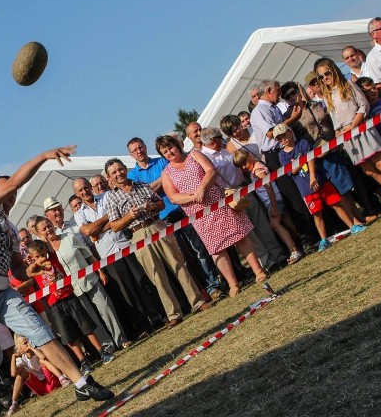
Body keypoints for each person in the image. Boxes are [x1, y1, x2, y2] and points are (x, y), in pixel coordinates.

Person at [0, 145, 113, 403]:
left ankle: (81, 383)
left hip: (3, 295)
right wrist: (43, 157)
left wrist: (31, 270)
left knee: (41, 333)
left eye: (13, 191)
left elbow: (16, 268)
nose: (12, 192)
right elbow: (14, 181)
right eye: (7, 189)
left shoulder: (12, 231)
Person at [103, 158, 211, 325]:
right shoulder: (111, 198)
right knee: (156, 275)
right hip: (137, 234)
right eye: (114, 173)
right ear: (110, 178)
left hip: (156, 225)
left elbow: (160, 203)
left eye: (120, 169)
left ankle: (197, 301)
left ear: (125, 168)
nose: (119, 174)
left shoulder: (140, 185)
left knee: (178, 264)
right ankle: (174, 314)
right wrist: (129, 216)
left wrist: (152, 207)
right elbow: (114, 225)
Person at [157, 135, 267, 297]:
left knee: (240, 236)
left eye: (170, 148)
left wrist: (202, 189)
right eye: (164, 151)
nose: (169, 152)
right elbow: (173, 197)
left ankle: (258, 271)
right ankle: (233, 284)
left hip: (218, 202)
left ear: (177, 145)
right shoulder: (166, 173)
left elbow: (211, 171)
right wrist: (193, 197)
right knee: (216, 248)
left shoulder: (195, 155)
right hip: (198, 215)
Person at [127, 136, 222, 300]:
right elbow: (143, 197)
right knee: (182, 258)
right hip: (162, 218)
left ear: (145, 147)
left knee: (199, 249)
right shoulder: (133, 176)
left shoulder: (162, 160)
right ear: (131, 155)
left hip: (183, 208)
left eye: (140, 147)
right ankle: (200, 291)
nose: (139, 151)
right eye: (135, 150)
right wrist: (163, 180)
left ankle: (213, 286)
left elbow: (175, 178)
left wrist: (156, 186)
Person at [314, 57, 381, 216]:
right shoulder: (328, 96)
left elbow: (363, 105)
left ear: (334, 71)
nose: (325, 78)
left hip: (362, 129)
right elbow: (335, 119)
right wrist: (339, 131)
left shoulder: (348, 85)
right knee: (369, 170)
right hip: (348, 138)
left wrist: (353, 125)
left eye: (327, 73)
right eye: (321, 76)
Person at [72, 176, 167, 337]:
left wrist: (99, 229)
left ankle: (160, 316)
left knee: (143, 280)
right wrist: (109, 217)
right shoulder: (79, 214)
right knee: (127, 290)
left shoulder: (106, 197)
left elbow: (118, 216)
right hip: (107, 254)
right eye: (80, 190)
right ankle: (144, 326)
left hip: (125, 244)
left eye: (86, 187)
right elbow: (88, 231)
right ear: (77, 193)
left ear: (90, 187)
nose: (84, 191)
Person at [201, 126, 300, 266]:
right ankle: (266, 261)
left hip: (244, 188)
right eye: (219, 138)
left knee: (262, 223)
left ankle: (278, 255)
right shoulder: (205, 157)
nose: (222, 140)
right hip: (228, 195)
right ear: (212, 140)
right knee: (249, 231)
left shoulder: (225, 151)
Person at [273, 124, 367, 251]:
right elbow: (292, 171)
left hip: (320, 180)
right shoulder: (282, 156)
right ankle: (324, 239)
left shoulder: (303, 143)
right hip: (305, 189)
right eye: (279, 138)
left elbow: (311, 159)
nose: (283, 139)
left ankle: (352, 226)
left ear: (290, 132)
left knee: (336, 204)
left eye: (284, 135)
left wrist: (313, 177)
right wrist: (302, 160)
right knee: (317, 214)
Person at [25, 239, 112, 374]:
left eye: (43, 254)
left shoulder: (53, 258)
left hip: (69, 297)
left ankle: (102, 351)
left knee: (86, 326)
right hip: (54, 304)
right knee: (69, 335)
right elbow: (29, 272)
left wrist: (45, 256)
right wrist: (38, 268)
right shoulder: (35, 268)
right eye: (37, 256)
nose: (41, 258)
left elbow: (47, 247)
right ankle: (83, 362)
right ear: (32, 257)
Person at [7, 335, 65, 416]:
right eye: (25, 343)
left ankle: (62, 379)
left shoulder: (37, 350)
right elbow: (13, 374)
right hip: (41, 387)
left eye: (29, 341)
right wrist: (13, 357)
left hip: (52, 381)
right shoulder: (22, 358)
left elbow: (43, 357)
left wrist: (32, 348)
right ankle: (14, 403)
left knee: (42, 361)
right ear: (19, 347)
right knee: (21, 374)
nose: (28, 344)